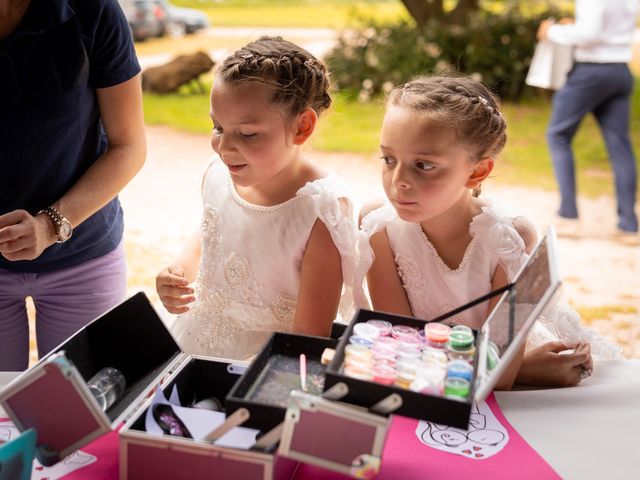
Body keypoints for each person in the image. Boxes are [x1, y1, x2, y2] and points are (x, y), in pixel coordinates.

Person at [358, 76, 620, 388]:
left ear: (477, 171)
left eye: (424, 165)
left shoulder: (508, 237)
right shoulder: (380, 227)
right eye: (389, 159)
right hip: (444, 382)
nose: (397, 180)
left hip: (489, 386)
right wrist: (526, 369)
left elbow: (500, 369)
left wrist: (512, 369)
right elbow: (404, 348)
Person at [156, 36, 359, 360]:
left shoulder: (321, 210)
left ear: (302, 127)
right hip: (192, 341)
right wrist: (179, 271)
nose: (224, 148)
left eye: (248, 134)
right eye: (218, 127)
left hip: (263, 363)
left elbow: (308, 338)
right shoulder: (217, 175)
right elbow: (211, 233)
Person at [0, 0, 146, 371]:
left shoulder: (94, 10)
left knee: (87, 412)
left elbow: (129, 146)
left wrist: (50, 225)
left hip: (84, 257)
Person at [538, 0, 640, 239]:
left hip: (591, 72)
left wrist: (551, 31)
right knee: (620, 145)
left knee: (558, 135)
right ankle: (628, 225)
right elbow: (611, 27)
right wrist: (575, 26)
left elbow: (590, 33)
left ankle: (568, 216)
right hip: (620, 71)